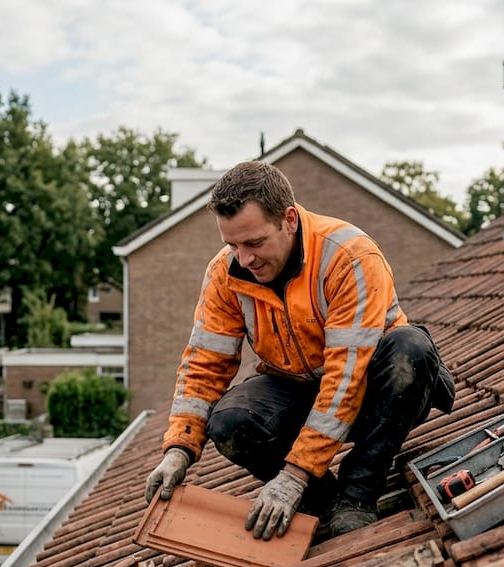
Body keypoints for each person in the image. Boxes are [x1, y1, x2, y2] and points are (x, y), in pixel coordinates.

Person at [144, 161, 454, 539]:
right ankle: (323, 500)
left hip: (376, 391)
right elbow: (204, 364)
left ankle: (357, 494)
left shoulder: (349, 256)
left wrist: (294, 474)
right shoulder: (225, 273)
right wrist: (179, 448)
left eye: (254, 243)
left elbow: (346, 376)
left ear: (289, 220)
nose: (244, 259)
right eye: (232, 245)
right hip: (298, 388)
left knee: (410, 348)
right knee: (230, 423)